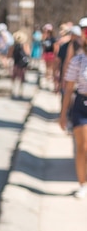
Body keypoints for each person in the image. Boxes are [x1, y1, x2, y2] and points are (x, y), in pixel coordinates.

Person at [59, 18, 87, 199]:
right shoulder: (78, 60)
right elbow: (69, 88)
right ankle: (83, 184)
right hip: (82, 105)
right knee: (83, 146)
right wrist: (63, 114)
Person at [11, 30, 30, 99]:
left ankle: (13, 91)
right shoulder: (25, 45)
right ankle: (20, 92)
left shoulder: (13, 46)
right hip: (22, 65)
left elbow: (10, 54)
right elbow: (28, 54)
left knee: (14, 78)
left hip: (15, 64)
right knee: (21, 78)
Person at [41, 23, 56, 88]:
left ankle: (50, 80)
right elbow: (43, 47)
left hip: (51, 54)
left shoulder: (53, 39)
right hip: (46, 54)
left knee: (50, 68)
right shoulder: (45, 38)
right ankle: (47, 80)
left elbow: (55, 47)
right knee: (46, 67)